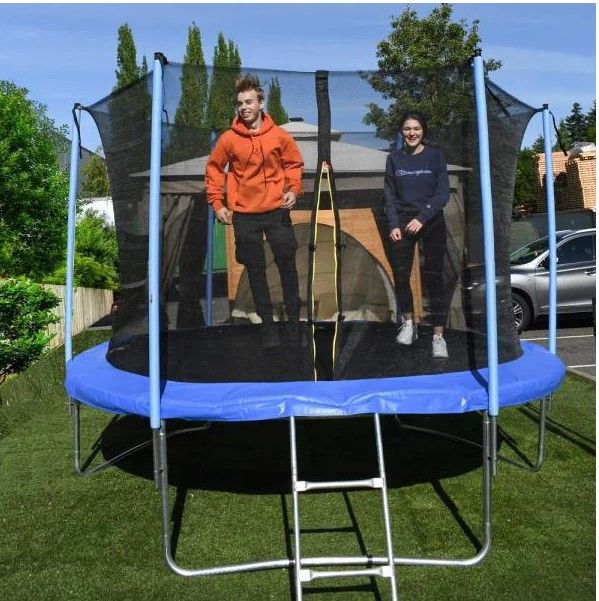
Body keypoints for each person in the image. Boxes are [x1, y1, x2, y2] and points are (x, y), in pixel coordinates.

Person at [205, 73, 304, 347]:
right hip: (245, 215)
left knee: (287, 266)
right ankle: (269, 329)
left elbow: (294, 165)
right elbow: (214, 170)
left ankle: (294, 326)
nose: (244, 107)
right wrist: (218, 204)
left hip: (276, 212)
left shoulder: (280, 136)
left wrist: (293, 190)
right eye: (240, 103)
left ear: (261, 102)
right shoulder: (228, 139)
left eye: (249, 102)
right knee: (255, 271)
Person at [383, 111, 450, 359]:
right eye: (408, 129)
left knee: (434, 277)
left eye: (416, 129)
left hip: (430, 221)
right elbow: (389, 195)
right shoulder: (395, 159)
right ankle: (409, 322)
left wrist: (421, 218)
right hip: (402, 222)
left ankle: (438, 336)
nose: (412, 133)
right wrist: (393, 224)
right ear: (402, 132)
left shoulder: (435, 156)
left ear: (423, 131)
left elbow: (443, 194)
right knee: (400, 275)